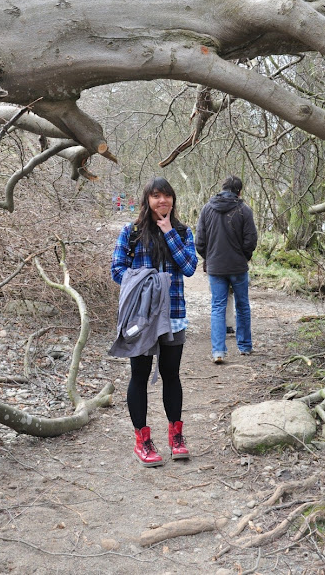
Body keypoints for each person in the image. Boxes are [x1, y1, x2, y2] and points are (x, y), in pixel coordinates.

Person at [111, 177, 197, 467]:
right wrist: (145, 281)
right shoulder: (131, 233)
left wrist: (169, 232)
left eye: (167, 196)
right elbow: (117, 269)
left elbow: (189, 268)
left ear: (173, 200)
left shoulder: (182, 232)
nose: (163, 201)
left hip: (173, 315)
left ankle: (176, 437)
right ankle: (142, 440)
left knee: (171, 375)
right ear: (147, 200)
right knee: (139, 375)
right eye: (156, 196)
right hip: (141, 318)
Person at [195, 175, 257, 363]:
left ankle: (218, 352)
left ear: (222, 189)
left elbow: (199, 242)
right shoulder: (244, 210)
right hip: (238, 267)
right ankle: (245, 347)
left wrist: (209, 257)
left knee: (217, 307)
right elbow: (251, 241)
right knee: (242, 305)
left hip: (215, 267)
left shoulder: (207, 209)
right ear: (239, 192)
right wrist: (243, 257)